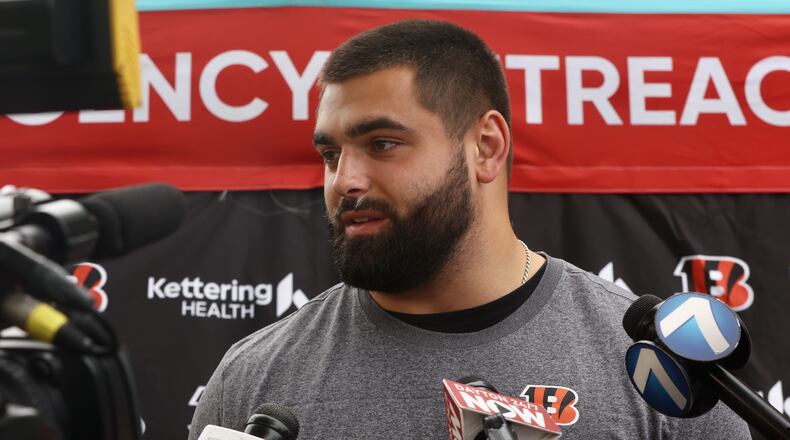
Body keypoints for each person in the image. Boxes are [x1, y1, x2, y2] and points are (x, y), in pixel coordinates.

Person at [189, 20, 750, 439]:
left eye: (383, 144)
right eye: (331, 153)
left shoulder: (663, 379)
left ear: (486, 147)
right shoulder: (255, 376)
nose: (345, 181)